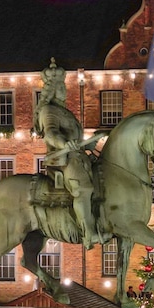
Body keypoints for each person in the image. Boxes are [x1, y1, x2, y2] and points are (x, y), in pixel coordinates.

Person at [34, 58, 100, 249]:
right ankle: (88, 233)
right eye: (61, 86)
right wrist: (65, 143)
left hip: (80, 157)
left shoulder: (66, 112)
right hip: (64, 160)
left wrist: (88, 144)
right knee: (83, 190)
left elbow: (77, 139)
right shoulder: (48, 111)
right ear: (54, 89)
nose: (65, 89)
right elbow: (50, 133)